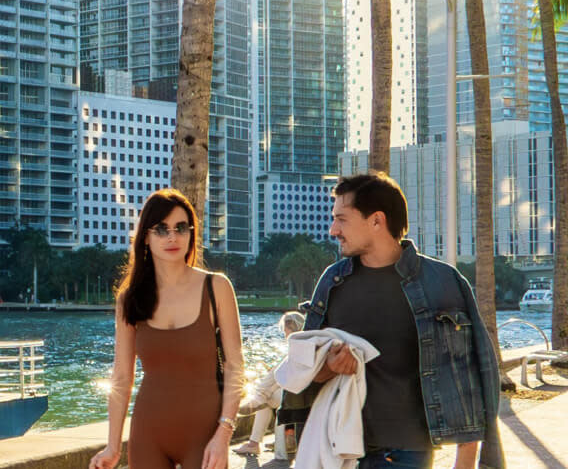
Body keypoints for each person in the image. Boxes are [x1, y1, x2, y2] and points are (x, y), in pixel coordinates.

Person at [280, 172, 502, 469]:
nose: (333, 229)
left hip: (405, 454)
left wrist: (465, 460)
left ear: (376, 220)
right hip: (336, 450)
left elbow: (472, 370)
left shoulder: (443, 282)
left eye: (342, 219)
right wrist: (330, 367)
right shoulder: (332, 282)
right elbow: (303, 371)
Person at [89, 189, 243, 469]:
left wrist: (224, 432)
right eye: (161, 229)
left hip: (206, 436)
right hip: (148, 434)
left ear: (191, 234)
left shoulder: (216, 287)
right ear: (146, 237)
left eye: (181, 228)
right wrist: (113, 446)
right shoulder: (130, 299)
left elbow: (235, 366)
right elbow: (122, 376)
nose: (172, 237)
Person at [233, 310, 305, 457]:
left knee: (265, 399)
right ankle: (285, 439)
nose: (285, 335)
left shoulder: (298, 349)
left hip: (299, 397)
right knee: (267, 395)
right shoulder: (304, 346)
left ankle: (254, 443)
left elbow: (287, 378)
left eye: (286, 331)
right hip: (298, 393)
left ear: (292, 330)